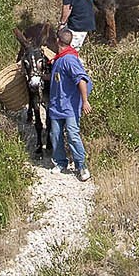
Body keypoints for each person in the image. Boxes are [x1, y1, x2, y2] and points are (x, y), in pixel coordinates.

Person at [47, 27, 92, 181]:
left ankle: (81, 166)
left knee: (73, 135)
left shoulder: (69, 59)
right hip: (56, 105)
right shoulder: (59, 59)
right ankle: (60, 162)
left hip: (70, 106)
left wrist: (85, 101)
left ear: (57, 41)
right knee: (55, 135)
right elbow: (58, 78)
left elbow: (81, 79)